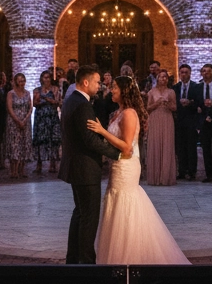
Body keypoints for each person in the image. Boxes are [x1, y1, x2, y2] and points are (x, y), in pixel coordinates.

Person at [87, 75, 189, 265]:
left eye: (115, 87)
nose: (111, 90)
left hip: (126, 166)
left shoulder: (129, 114)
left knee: (125, 205)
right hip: (117, 166)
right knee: (116, 202)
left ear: (124, 91)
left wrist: (102, 132)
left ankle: (128, 256)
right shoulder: (118, 112)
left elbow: (127, 147)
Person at [59, 64, 123, 265]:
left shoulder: (71, 101)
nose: (100, 85)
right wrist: (115, 153)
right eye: (96, 82)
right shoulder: (83, 104)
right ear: (85, 82)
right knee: (89, 217)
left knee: (79, 213)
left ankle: (73, 259)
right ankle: (86, 262)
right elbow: (90, 140)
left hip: (75, 166)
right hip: (85, 168)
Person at [144, 69, 177, 185]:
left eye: (165, 77)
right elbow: (147, 108)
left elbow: (175, 107)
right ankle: (155, 177)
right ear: (157, 78)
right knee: (155, 144)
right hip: (155, 118)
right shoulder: (152, 92)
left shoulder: (171, 92)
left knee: (167, 144)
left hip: (167, 118)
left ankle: (166, 177)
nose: (163, 79)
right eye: (161, 77)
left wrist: (167, 104)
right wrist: (157, 103)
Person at [32, 70, 62, 174]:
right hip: (41, 117)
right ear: (41, 79)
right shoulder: (37, 90)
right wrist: (42, 101)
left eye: (48, 77)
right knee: (40, 140)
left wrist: (47, 100)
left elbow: (58, 102)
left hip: (52, 116)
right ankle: (39, 163)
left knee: (53, 140)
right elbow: (35, 103)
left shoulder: (55, 89)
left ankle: (53, 164)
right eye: (45, 77)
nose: (47, 79)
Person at [173, 64, 199, 180]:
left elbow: (199, 103)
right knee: (180, 147)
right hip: (179, 120)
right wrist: (180, 104)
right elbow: (173, 103)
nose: (183, 74)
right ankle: (182, 171)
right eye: (182, 72)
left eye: (186, 72)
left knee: (191, 147)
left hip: (191, 120)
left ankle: (192, 171)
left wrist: (190, 103)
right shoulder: (175, 88)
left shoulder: (196, 87)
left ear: (190, 73)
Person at [4, 73, 33, 178]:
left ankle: (22, 169)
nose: (22, 83)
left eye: (23, 81)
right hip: (14, 122)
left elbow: (30, 107)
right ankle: (13, 170)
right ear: (16, 82)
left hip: (25, 121)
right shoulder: (11, 93)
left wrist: (25, 119)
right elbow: (10, 108)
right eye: (20, 81)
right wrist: (17, 120)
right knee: (14, 145)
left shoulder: (27, 93)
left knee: (24, 144)